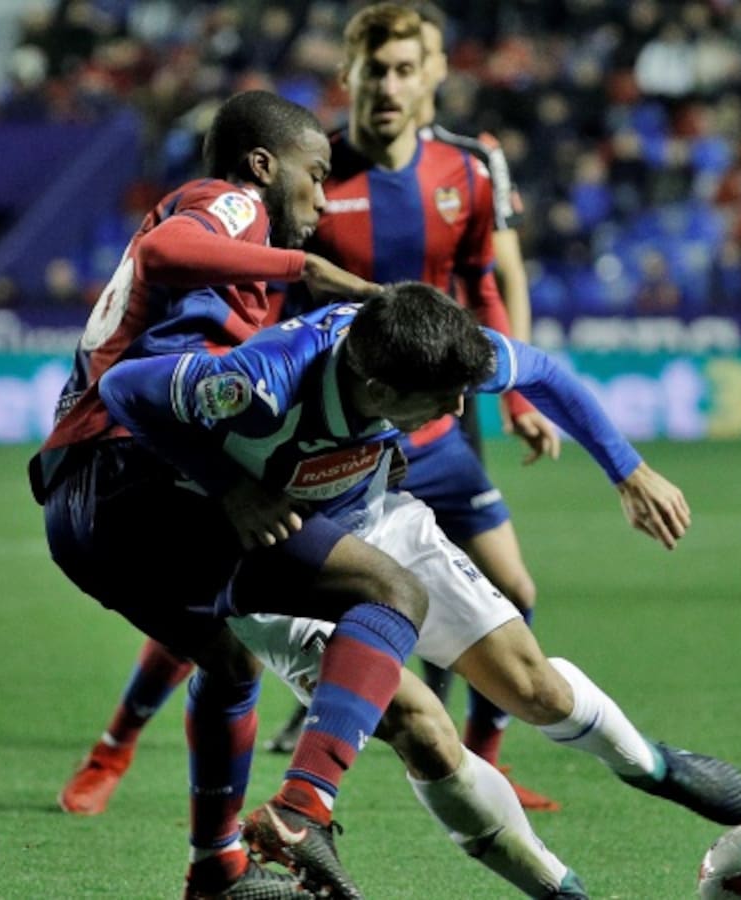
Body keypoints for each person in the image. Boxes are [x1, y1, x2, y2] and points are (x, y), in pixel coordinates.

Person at [100, 283, 741, 890]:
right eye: (441, 399)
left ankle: (649, 764)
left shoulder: (437, 349)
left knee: (535, 688)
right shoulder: (261, 383)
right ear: (380, 389)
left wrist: (628, 471)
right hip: (275, 562)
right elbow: (125, 386)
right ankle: (559, 889)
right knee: (425, 728)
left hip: (379, 520)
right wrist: (232, 487)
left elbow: (543, 372)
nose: (457, 409)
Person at [33, 88, 427, 900]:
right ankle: (302, 808)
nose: (323, 197)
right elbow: (168, 250)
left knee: (226, 658)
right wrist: (309, 269)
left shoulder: (237, 284)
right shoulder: (231, 204)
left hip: (75, 512)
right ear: (262, 166)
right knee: (390, 592)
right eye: (314, 176)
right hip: (129, 480)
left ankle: (216, 869)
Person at [271, 0, 563, 811]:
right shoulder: (318, 168)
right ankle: (116, 746)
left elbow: (491, 282)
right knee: (235, 585)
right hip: (335, 418)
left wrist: (516, 396)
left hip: (436, 414)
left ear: (435, 73)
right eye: (377, 71)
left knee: (508, 590)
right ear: (349, 77)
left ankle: (477, 759)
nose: (391, 86)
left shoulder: (469, 166)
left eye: (408, 68)